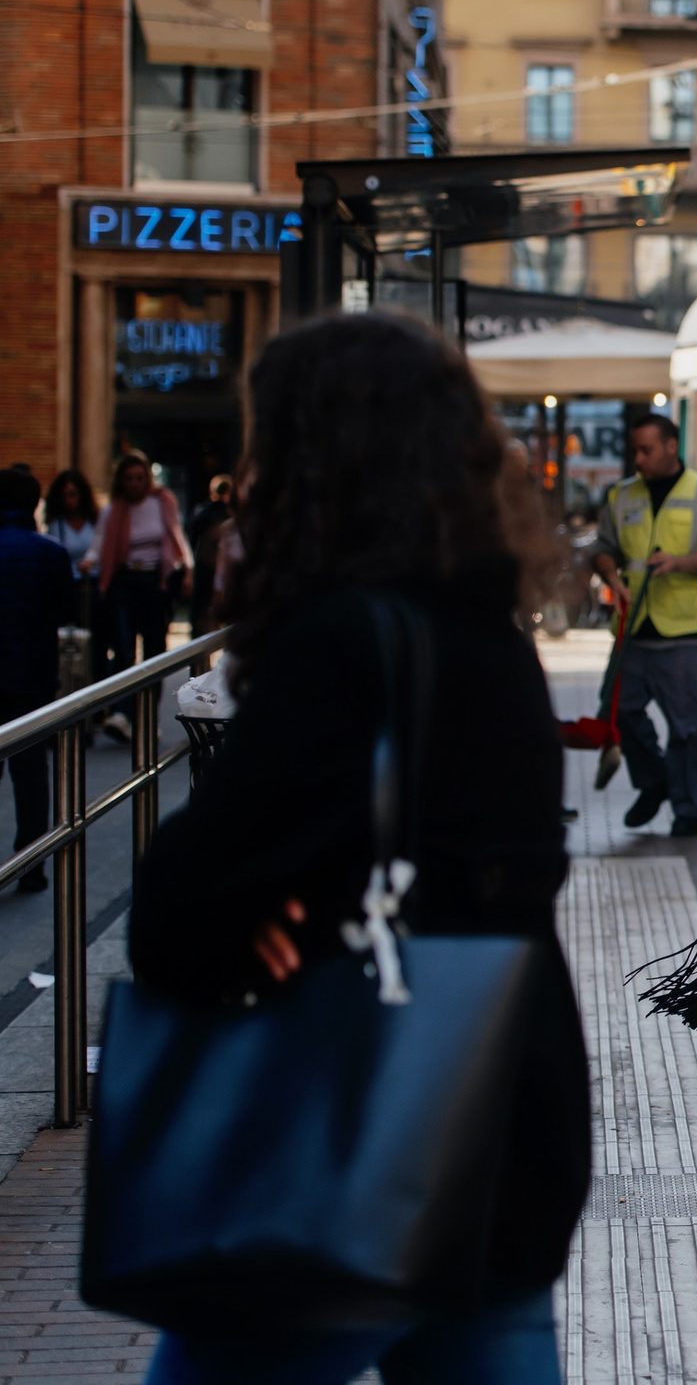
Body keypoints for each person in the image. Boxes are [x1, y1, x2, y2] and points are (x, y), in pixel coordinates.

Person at [128, 312, 588, 1384]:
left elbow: (181, 913)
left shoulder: (344, 643)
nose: (245, 471)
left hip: (346, 1144)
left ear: (315, 459)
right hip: (505, 1125)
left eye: (264, 440)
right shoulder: (492, 637)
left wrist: (264, 908)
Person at [591, 414, 697, 838]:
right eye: (634, 450)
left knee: (688, 728)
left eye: (646, 450)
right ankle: (654, 781)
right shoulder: (620, 495)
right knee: (620, 713)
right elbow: (603, 549)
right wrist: (613, 579)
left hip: (686, 635)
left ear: (671, 446)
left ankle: (687, 813)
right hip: (633, 632)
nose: (638, 459)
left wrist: (678, 564)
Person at [0, 469, 74, 895]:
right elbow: (66, 611)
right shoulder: (51, 552)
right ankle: (32, 866)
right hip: (34, 673)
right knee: (31, 773)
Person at [96, 452, 191, 743]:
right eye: (129, 478)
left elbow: (176, 537)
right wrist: (90, 564)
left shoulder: (161, 503)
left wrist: (187, 568)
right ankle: (122, 714)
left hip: (154, 582)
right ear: (121, 481)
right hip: (124, 581)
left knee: (154, 653)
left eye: (140, 478)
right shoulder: (113, 511)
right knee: (123, 650)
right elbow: (99, 545)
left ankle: (146, 717)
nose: (135, 484)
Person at [42, 468, 102, 694]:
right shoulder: (56, 524)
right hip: (68, 587)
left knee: (95, 642)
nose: (70, 500)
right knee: (71, 645)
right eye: (65, 495)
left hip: (92, 586)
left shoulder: (94, 520)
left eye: (74, 494)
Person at [186, 473, 234, 632]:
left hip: (206, 572)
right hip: (221, 574)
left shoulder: (202, 513)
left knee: (201, 619)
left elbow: (192, 540)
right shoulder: (235, 515)